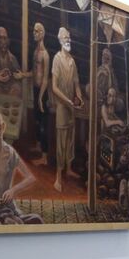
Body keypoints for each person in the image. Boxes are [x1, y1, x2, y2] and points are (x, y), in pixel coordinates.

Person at [51, 27, 83, 192]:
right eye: (65, 37)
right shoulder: (57, 59)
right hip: (63, 108)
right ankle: (58, 178)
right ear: (59, 40)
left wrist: (80, 98)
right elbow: (54, 87)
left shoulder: (72, 60)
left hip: (71, 108)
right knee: (61, 144)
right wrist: (68, 101)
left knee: (70, 140)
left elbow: (77, 84)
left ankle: (68, 169)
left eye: (69, 37)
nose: (68, 40)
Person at [29, 22, 50, 166]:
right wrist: (23, 75)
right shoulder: (35, 51)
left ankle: (45, 157)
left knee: (43, 124)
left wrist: (41, 98)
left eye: (37, 31)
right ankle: (38, 145)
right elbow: (34, 72)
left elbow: (45, 78)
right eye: (34, 31)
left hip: (43, 93)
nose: (34, 33)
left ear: (42, 33)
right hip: (35, 90)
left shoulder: (45, 55)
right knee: (36, 119)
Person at [0, 27, 24, 96]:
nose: (2, 40)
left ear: (7, 40)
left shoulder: (12, 58)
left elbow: (18, 73)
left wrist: (11, 74)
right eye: (0, 37)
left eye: (4, 38)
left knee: (17, 87)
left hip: (9, 83)